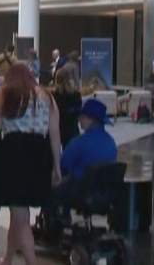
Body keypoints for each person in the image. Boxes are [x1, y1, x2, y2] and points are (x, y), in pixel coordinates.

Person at [0, 63, 62, 265]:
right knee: (19, 214)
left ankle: (32, 262)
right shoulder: (47, 96)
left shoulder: (5, 94)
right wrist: (56, 165)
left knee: (20, 217)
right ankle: (8, 258)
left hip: (13, 154)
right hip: (40, 154)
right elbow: (55, 133)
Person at [42, 99, 118, 235]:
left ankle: (53, 227)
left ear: (91, 120)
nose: (79, 120)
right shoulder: (111, 143)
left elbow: (62, 166)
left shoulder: (79, 143)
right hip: (103, 195)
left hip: (81, 193)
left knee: (49, 190)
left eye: (82, 116)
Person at [52, 70, 83, 147]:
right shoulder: (76, 95)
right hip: (72, 130)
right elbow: (78, 112)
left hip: (58, 130)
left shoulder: (54, 96)